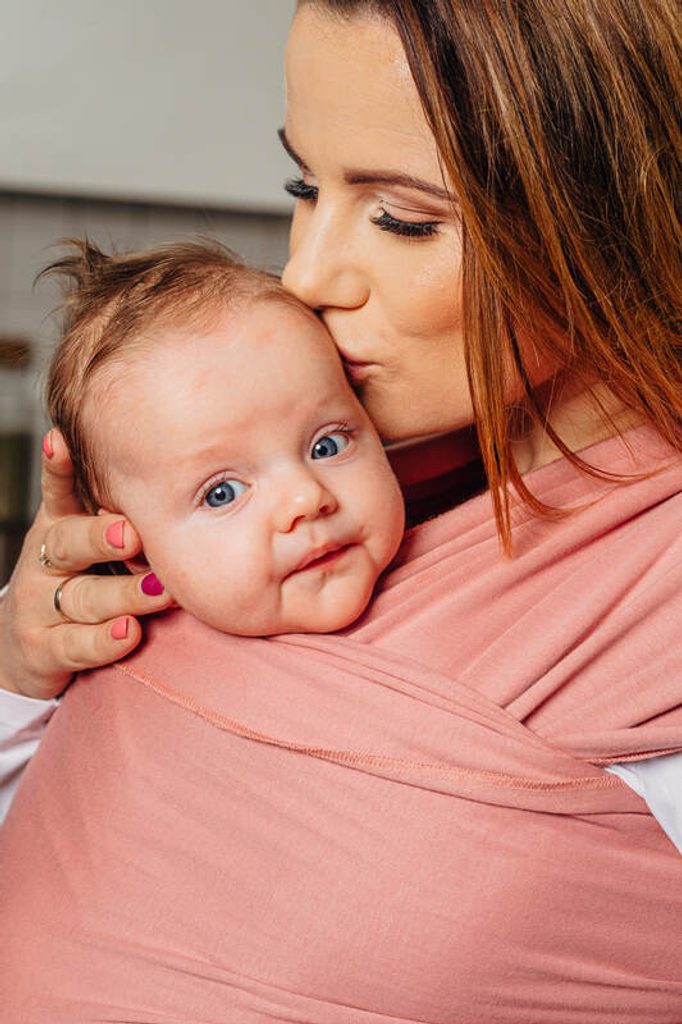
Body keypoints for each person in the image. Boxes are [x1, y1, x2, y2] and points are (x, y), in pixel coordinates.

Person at [1, 0, 681, 1020]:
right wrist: (22, 671)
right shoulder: (323, 460)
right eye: (304, 187)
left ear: (615, 215)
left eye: (402, 217)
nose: (307, 276)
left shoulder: (647, 602)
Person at [42, 238, 404, 637]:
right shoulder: (108, 657)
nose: (306, 498)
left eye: (327, 445)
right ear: (137, 550)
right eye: (222, 493)